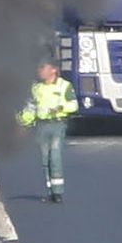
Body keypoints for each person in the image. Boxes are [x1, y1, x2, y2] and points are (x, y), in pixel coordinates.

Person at [18, 62, 78, 203]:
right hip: (42, 126)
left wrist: (59, 107)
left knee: (55, 156)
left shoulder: (64, 86)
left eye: (43, 68)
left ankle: (58, 192)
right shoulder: (36, 88)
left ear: (53, 70)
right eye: (39, 68)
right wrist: (22, 123)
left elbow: (74, 105)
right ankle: (50, 191)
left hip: (57, 124)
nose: (40, 71)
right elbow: (31, 109)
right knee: (45, 160)